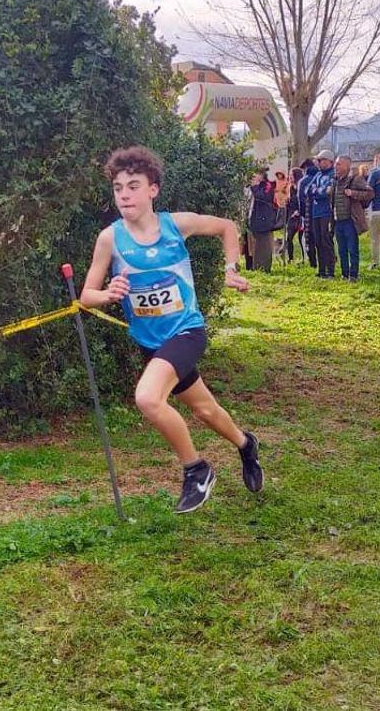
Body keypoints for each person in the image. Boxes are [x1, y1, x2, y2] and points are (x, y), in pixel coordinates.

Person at [80, 146, 264, 514]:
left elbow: (227, 227)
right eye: (118, 188)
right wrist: (108, 293)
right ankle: (246, 445)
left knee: (148, 398)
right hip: (150, 342)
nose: (124, 195)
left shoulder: (175, 225)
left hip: (186, 331)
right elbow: (86, 295)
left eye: (133, 186)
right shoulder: (110, 238)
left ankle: (197, 470)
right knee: (206, 411)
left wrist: (230, 270)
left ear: (153, 190)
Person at [330, 155, 374, 281]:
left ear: (347, 166)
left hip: (350, 220)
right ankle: (344, 274)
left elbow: (370, 193)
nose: (335, 167)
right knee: (341, 249)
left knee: (352, 248)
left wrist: (353, 193)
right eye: (336, 164)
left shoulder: (356, 179)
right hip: (338, 220)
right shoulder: (335, 181)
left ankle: (353, 274)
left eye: (338, 164)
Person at [308, 149, 338, 278]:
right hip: (316, 213)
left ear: (328, 161)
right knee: (318, 242)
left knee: (326, 241)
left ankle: (330, 271)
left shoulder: (333, 174)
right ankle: (321, 270)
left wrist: (319, 191)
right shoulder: (317, 175)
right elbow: (308, 190)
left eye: (320, 160)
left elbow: (328, 192)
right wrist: (320, 191)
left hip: (327, 212)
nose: (318, 163)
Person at [248, 169, 281, 273]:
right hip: (256, 220)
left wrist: (254, 186)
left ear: (261, 175)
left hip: (265, 220)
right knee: (257, 247)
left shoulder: (268, 185)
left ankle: (265, 268)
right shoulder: (259, 186)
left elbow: (263, 197)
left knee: (265, 245)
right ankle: (257, 267)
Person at [296, 160, 319, 271]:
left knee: (309, 238)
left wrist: (302, 214)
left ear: (305, 168)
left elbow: (300, 199)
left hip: (308, 212)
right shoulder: (320, 177)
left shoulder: (303, 181)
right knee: (322, 237)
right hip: (321, 212)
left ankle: (313, 263)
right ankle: (326, 261)